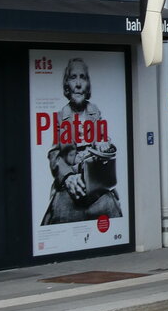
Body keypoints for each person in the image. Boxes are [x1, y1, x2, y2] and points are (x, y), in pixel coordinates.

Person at [41, 57, 124, 225]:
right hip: (70, 188)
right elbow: (54, 155)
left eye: (82, 77)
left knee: (114, 212)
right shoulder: (60, 116)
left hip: (96, 187)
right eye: (73, 77)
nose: (78, 84)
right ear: (67, 84)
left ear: (88, 84)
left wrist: (104, 145)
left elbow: (105, 141)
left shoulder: (95, 112)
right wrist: (68, 177)